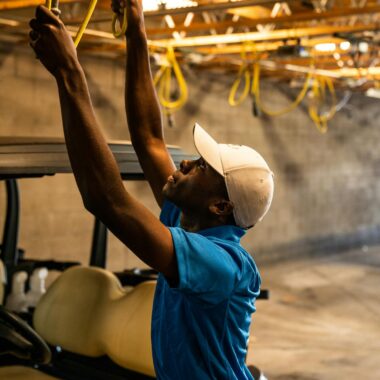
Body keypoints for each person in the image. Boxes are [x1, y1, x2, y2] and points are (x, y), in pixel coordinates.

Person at [29, 1, 274, 378]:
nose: (187, 163)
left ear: (220, 205)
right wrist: (136, 28)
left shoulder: (223, 264)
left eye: (202, 168)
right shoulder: (190, 220)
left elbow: (107, 200)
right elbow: (149, 139)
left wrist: (69, 73)